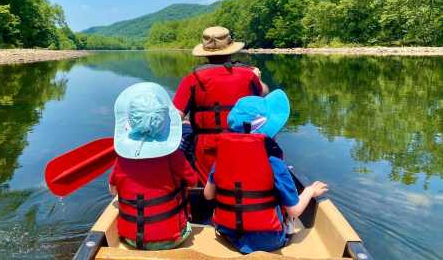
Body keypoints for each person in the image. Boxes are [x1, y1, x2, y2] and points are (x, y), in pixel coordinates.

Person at [203, 90, 328, 254]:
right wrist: (310, 191)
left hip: (228, 234)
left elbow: (208, 195)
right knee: (289, 216)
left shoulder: (223, 158)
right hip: (268, 241)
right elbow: (294, 210)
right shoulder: (275, 162)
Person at [173, 26, 269, 184]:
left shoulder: (192, 78)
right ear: (230, 50)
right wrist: (257, 77)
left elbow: (176, 116)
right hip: (243, 142)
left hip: (207, 148)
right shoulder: (247, 74)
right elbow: (264, 91)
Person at [109, 82, 198, 250]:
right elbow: (193, 182)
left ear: (131, 121)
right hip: (173, 238)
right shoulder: (174, 155)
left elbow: (112, 189)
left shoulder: (122, 158)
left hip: (132, 239)